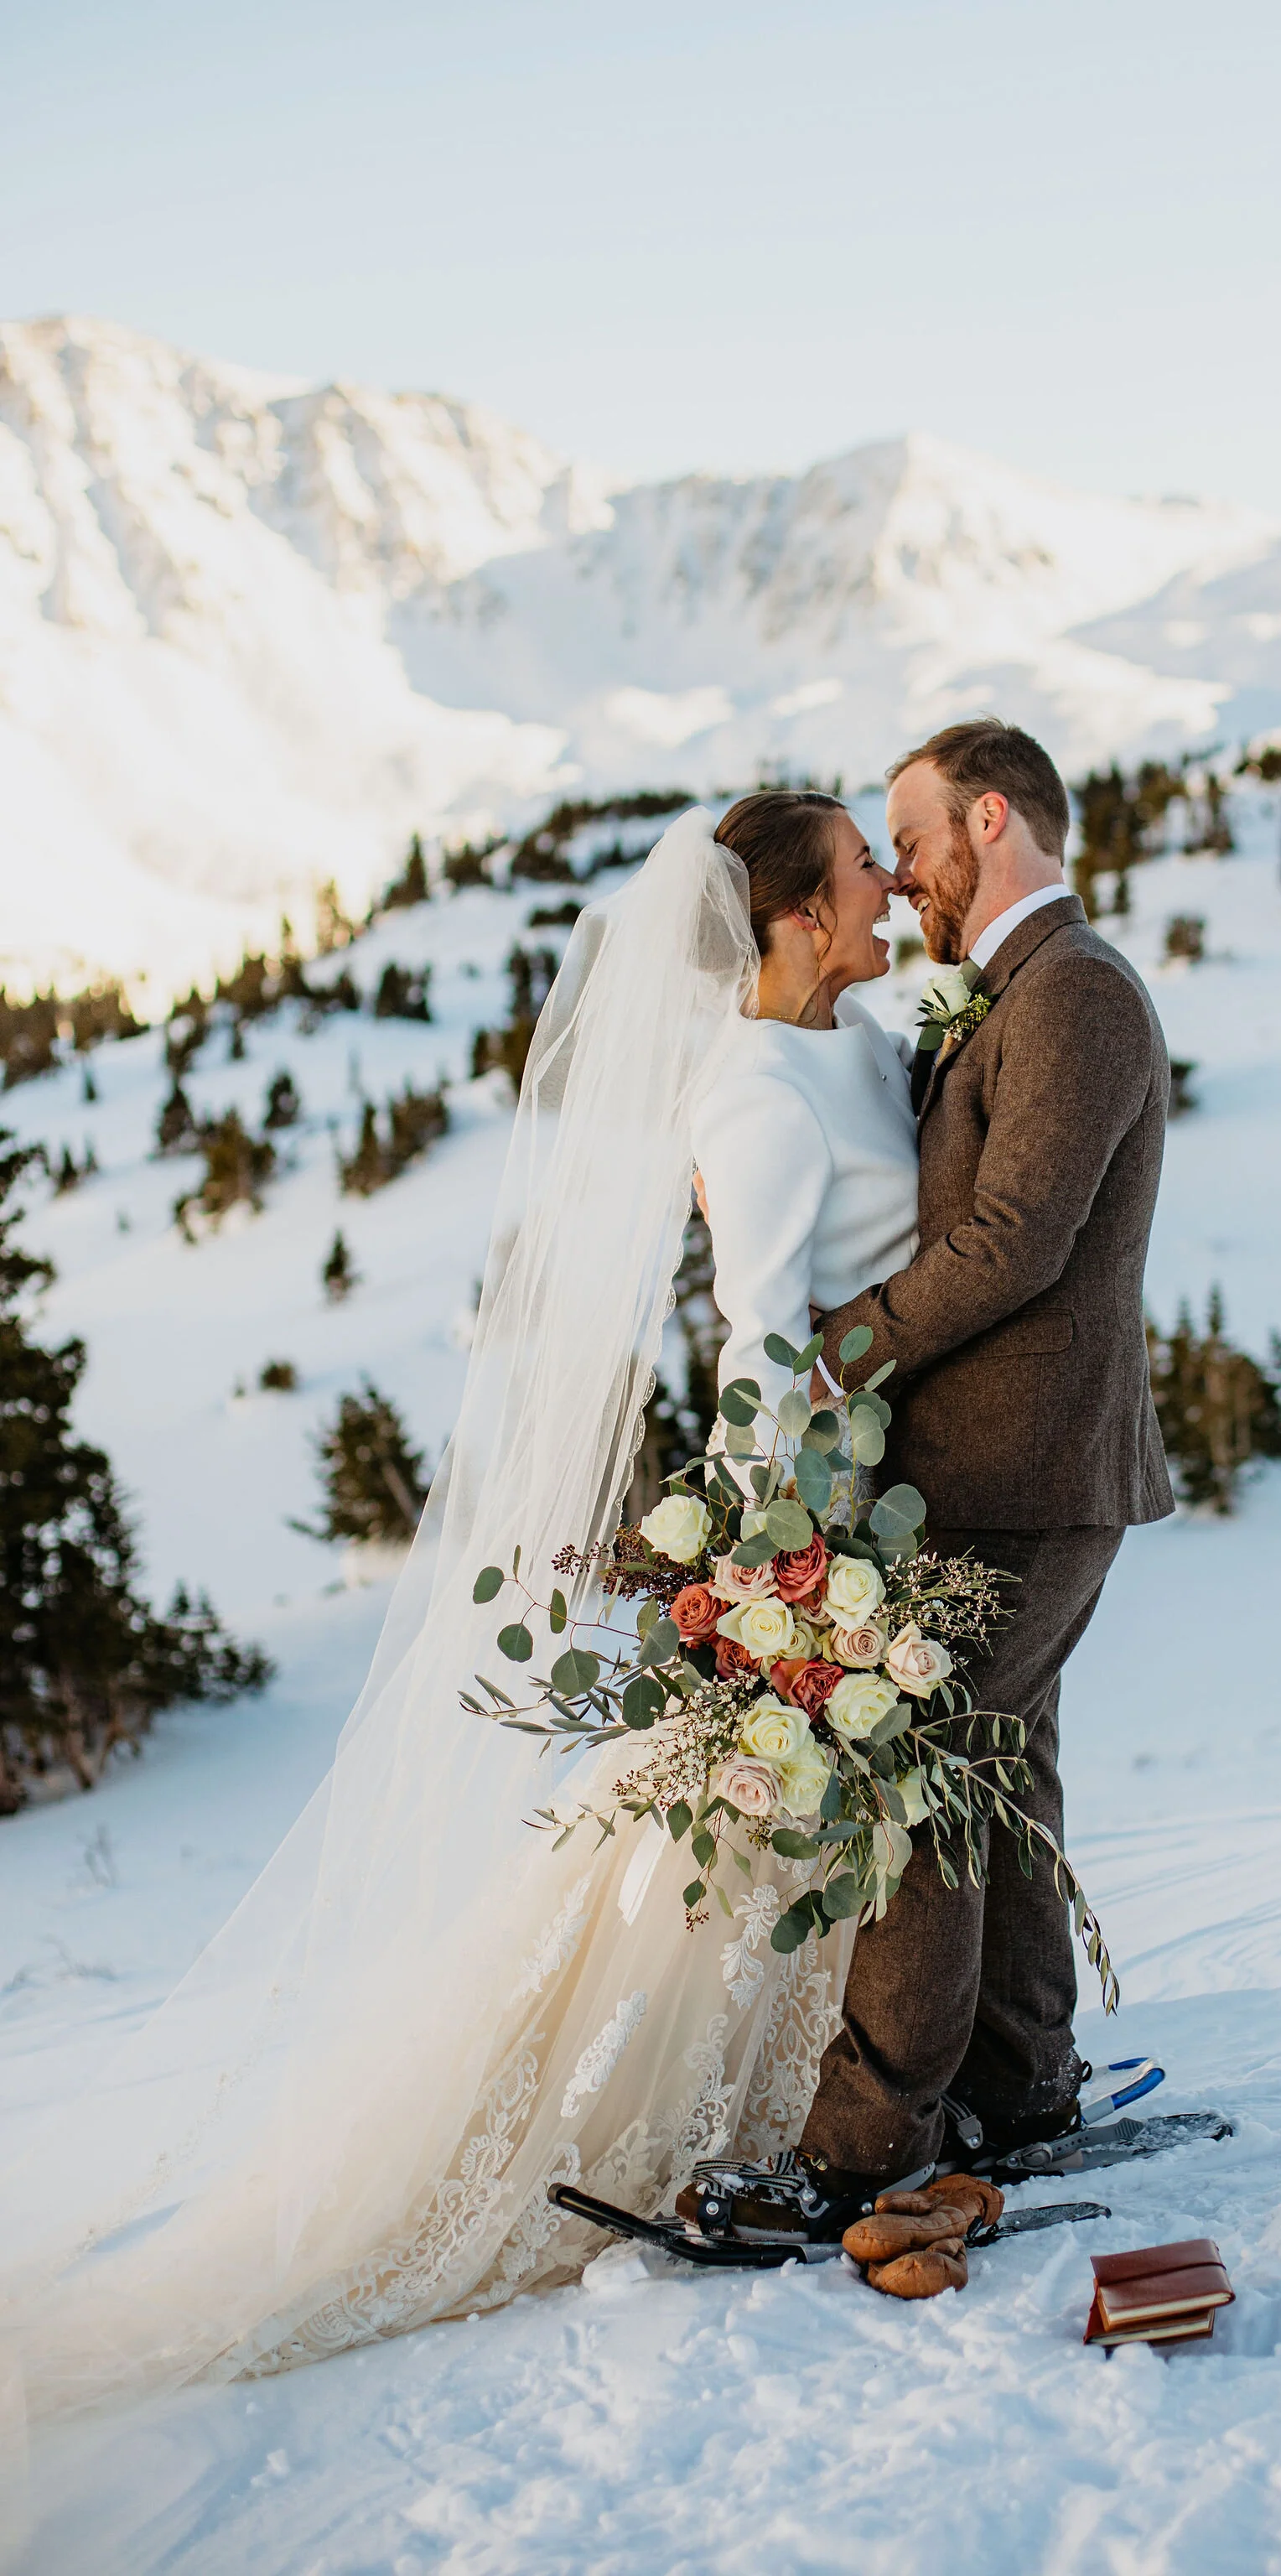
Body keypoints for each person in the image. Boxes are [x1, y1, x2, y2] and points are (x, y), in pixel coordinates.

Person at [1, 792, 921, 2427]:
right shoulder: (760, 1094)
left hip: (879, 1492)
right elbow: (763, 1341)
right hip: (813, 1517)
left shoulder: (857, 1029)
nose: (888, 887)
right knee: (749, 1839)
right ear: (791, 920)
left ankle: (836, 2110)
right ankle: (714, 2133)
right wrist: (772, 1553)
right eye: (861, 870)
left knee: (788, 1832)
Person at [702, 718, 1175, 2238]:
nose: (902, 882)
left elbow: (1017, 1241)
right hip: (978, 1469)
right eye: (877, 859)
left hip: (1030, 1464)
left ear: (987, 821)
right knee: (994, 1767)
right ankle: (1023, 2086)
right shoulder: (1003, 995)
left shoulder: (1078, 995)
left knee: (916, 1796)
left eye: (910, 842)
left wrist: (840, 1351)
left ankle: (861, 2145)